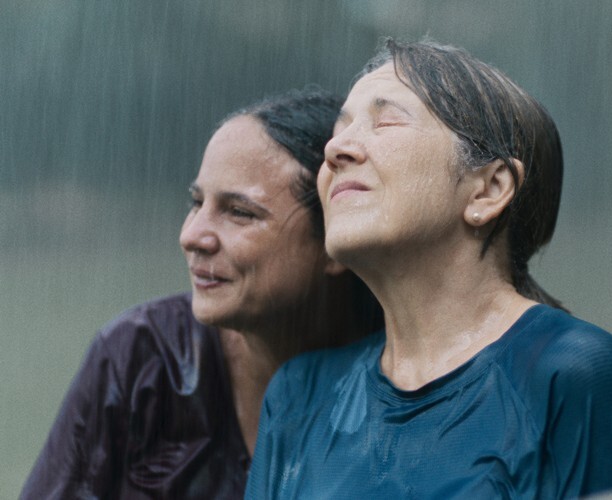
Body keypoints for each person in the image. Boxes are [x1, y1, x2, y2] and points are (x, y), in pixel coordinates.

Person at [245, 40, 612, 499]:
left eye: (385, 120)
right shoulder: (299, 396)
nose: (335, 149)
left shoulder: (570, 377)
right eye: (340, 128)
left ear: (488, 190)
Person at [21, 88, 383, 499]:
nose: (192, 236)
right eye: (197, 203)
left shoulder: (408, 382)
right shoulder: (142, 358)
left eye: (239, 212)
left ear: (337, 237)